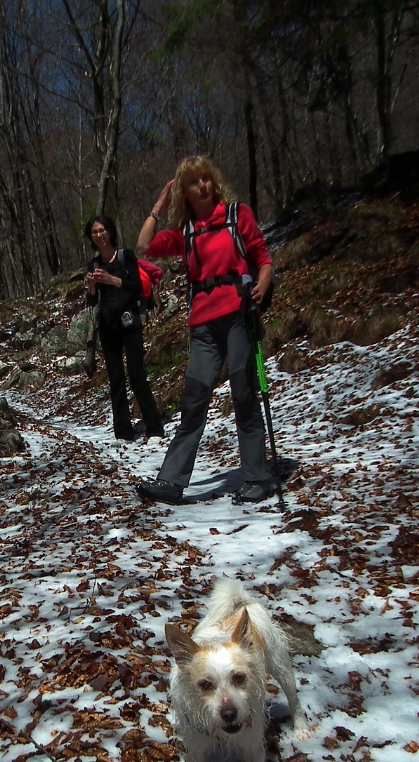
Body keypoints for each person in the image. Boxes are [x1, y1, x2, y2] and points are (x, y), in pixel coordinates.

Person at [133, 155, 275, 504]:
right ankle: (170, 480)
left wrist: (262, 284)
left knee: (244, 393)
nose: (203, 186)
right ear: (185, 190)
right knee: (193, 400)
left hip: (240, 313)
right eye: (194, 182)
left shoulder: (237, 215)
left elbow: (262, 256)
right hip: (203, 324)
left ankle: (257, 476)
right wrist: (158, 206)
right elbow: (144, 245)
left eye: (206, 179)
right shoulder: (186, 231)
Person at [84, 215, 165, 442]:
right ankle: (123, 432)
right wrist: (92, 287)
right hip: (108, 325)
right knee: (116, 380)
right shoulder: (94, 264)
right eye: (94, 232)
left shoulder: (125, 256)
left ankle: (155, 428)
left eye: (102, 230)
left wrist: (112, 280)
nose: (99, 235)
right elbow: (92, 303)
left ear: (109, 232)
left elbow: (136, 287)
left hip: (130, 321)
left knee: (137, 375)